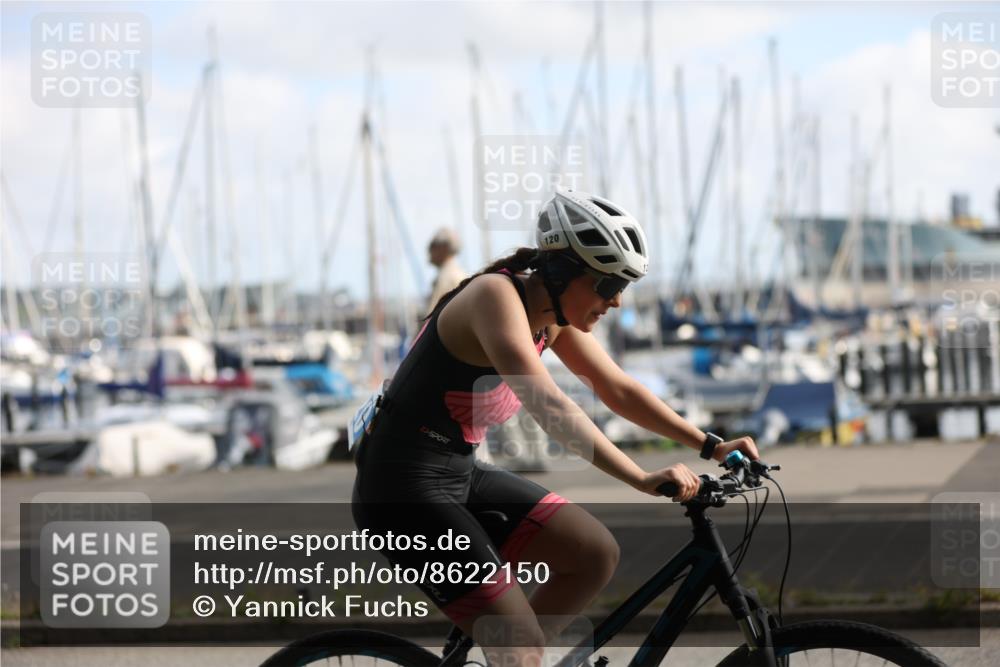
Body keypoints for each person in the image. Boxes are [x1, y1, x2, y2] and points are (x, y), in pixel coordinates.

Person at [351, 189, 759, 666]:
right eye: (609, 284)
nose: (617, 301)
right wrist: (640, 478)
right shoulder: (494, 297)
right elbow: (551, 406)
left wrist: (710, 445)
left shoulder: (552, 319)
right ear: (563, 271)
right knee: (520, 643)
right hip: (400, 488)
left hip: (457, 471)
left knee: (593, 554)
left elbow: (618, 389)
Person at [426, 226, 467, 317]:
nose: (428, 250)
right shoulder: (458, 273)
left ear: (443, 247)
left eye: (432, 246)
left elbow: (432, 315)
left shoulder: (447, 277)